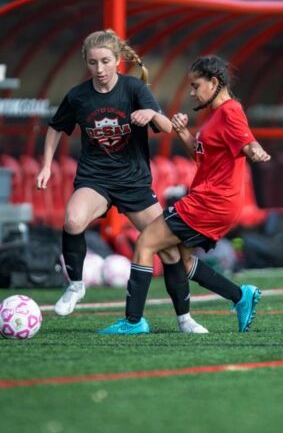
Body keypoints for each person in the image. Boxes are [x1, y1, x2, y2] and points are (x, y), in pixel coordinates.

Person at [36, 29, 207, 333]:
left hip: (134, 183)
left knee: (169, 250)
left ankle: (185, 319)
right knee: (73, 221)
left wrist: (148, 114)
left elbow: (167, 126)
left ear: (117, 61)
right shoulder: (77, 96)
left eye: (105, 61)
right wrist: (46, 166)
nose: (99, 69)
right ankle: (76, 286)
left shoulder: (134, 89)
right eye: (92, 63)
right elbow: (54, 128)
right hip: (95, 178)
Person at [98, 55, 271, 335]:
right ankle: (241, 296)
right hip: (213, 200)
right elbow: (202, 158)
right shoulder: (217, 115)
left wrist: (256, 151)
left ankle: (133, 322)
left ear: (214, 82)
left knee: (145, 243)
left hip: (210, 201)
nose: (191, 91)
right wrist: (182, 133)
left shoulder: (230, 111)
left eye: (196, 85)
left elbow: (247, 141)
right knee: (181, 258)